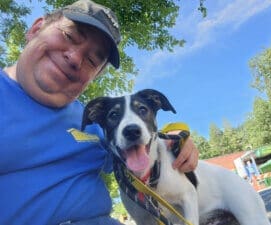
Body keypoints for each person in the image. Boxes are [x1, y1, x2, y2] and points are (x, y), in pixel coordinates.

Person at [0, 0, 199, 224]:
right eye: (69, 36)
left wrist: (176, 136)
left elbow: (138, 146)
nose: (75, 58)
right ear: (36, 29)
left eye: (92, 60)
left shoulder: (96, 122)